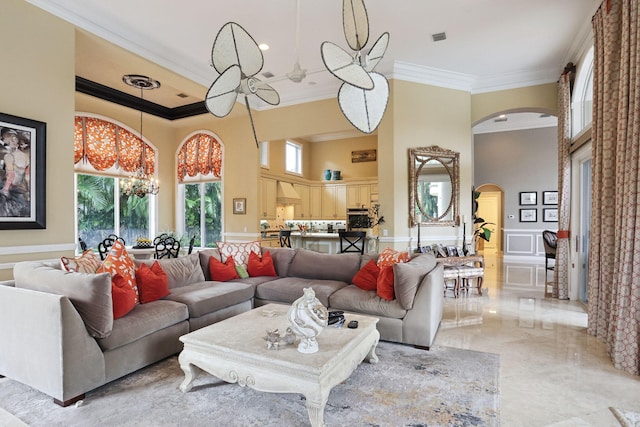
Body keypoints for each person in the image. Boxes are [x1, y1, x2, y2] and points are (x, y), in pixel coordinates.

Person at [1, 130, 30, 197]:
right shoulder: (24, 155)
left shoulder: (9, 156)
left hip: (12, 186)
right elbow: (27, 175)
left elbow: (11, 175)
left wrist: (5, 189)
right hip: (20, 185)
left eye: (14, 139)